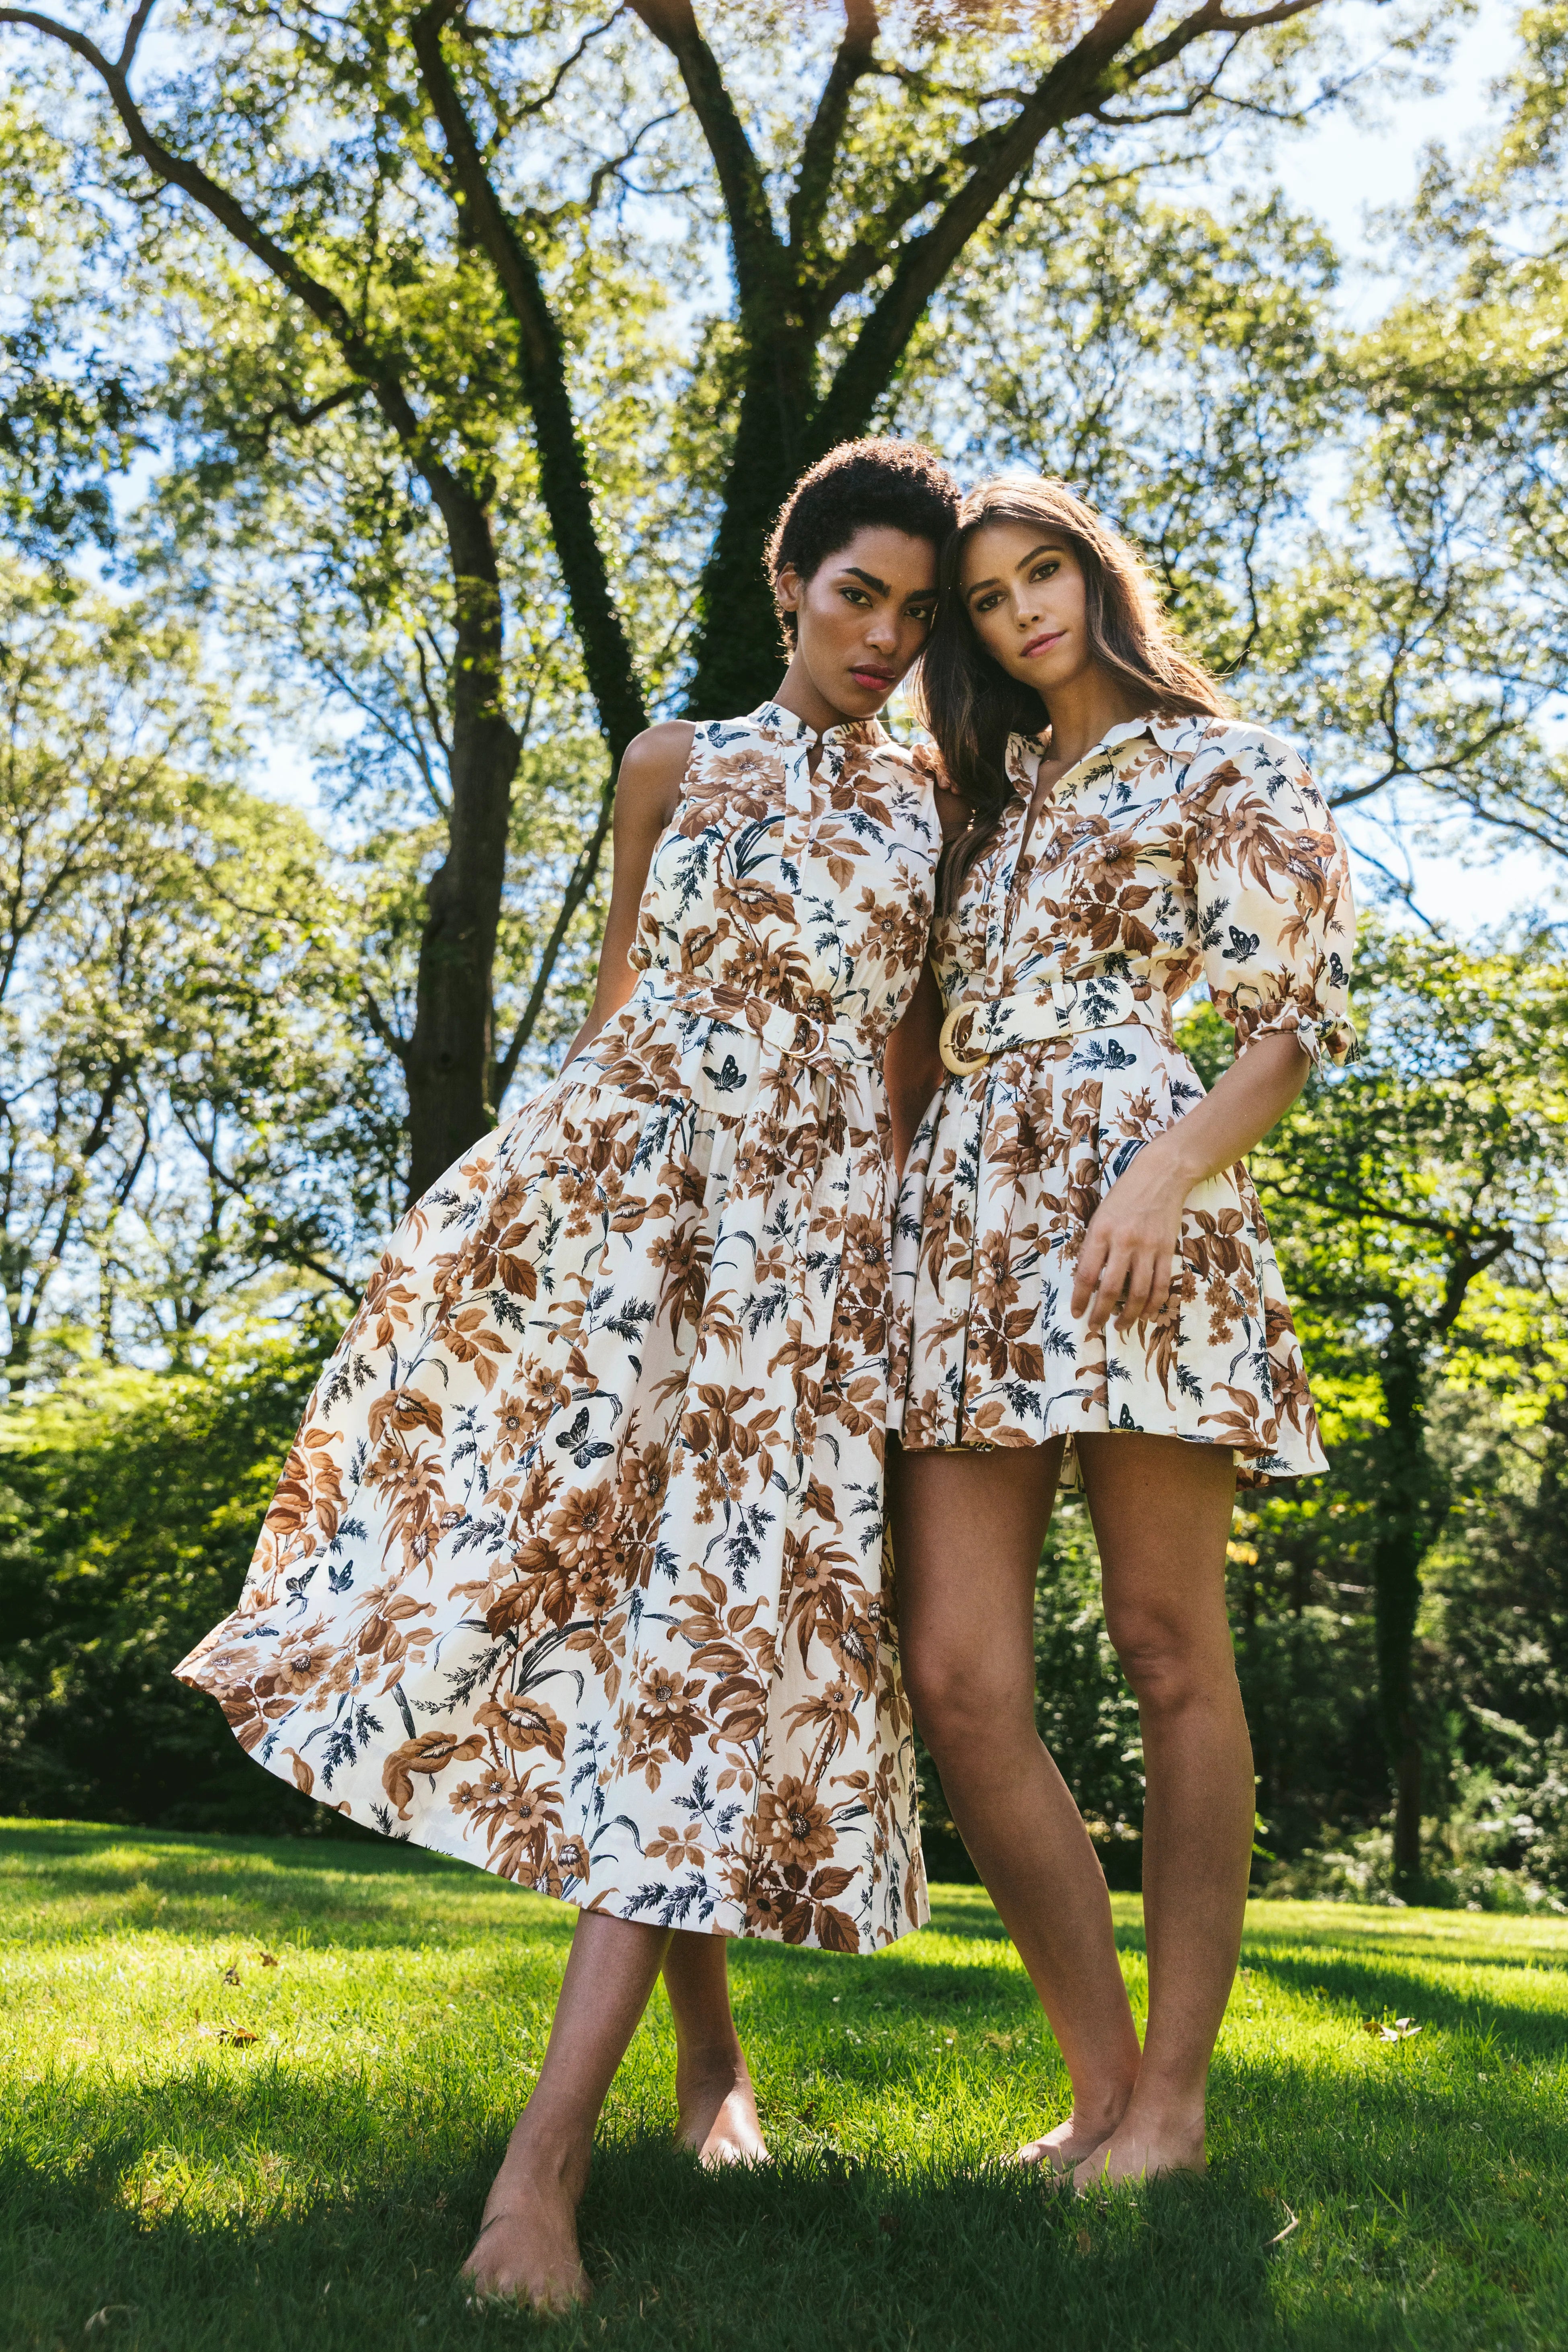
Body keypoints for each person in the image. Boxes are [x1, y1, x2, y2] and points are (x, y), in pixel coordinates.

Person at [175, 436, 960, 2307]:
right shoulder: (669, 762)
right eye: (858, 594)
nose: (883, 638)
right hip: (620, 1223)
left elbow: (912, 1065)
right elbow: (624, 989)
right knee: (625, 1625)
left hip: (803, 1271)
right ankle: (705, 2054)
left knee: (708, 1643)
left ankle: (544, 2171)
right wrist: (520, 1219)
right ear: (791, 583)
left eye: (918, 616)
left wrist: (888, 1281)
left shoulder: (940, 809)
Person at [885, 473, 1355, 2190]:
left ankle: (1174, 2103)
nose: (1022, 611)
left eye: (1044, 572)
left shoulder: (1224, 763)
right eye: (986, 596)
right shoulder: (977, 797)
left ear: (1096, 573)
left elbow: (1285, 1024)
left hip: (1143, 1203)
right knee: (958, 1674)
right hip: (964, 1222)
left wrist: (1160, 1175)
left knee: (1166, 1644)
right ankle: (1099, 2087)